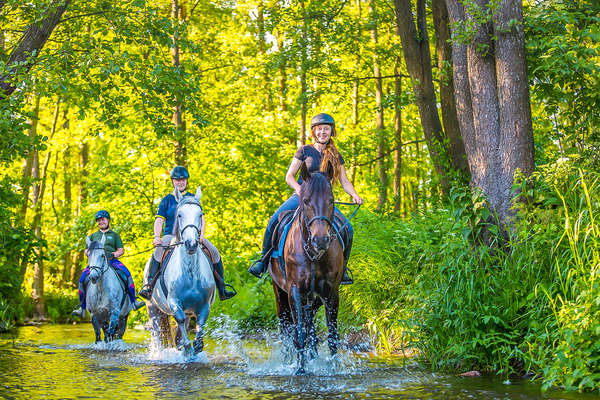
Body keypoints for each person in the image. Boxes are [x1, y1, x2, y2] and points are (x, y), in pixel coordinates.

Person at [248, 113, 363, 284]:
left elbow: (344, 181)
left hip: (323, 202)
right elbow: (289, 176)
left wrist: (354, 194)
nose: (323, 132)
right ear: (314, 131)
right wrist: (300, 190)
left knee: (348, 229)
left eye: (326, 129)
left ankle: (343, 270)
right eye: (320, 129)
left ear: (331, 131)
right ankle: (263, 261)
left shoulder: (335, 154)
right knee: (274, 220)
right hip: (302, 197)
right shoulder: (304, 151)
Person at [138, 166, 236, 301]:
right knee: (158, 252)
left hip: (192, 235)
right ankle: (149, 287)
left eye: (183, 180)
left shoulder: (192, 198)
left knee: (214, 251)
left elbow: (201, 218)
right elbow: (159, 220)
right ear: (172, 181)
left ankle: (222, 288)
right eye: (177, 180)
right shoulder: (167, 200)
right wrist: (157, 237)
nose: (180, 182)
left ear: (186, 181)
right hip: (170, 236)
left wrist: (201, 235)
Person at [72, 210, 146, 317]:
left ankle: (134, 301)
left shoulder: (114, 235)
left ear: (108, 220)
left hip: (112, 261)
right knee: (82, 279)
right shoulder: (93, 236)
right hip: (96, 264)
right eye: (98, 220)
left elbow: (121, 250)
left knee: (127, 274)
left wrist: (113, 254)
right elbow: (86, 251)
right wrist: (91, 253)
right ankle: (82, 307)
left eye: (103, 219)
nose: (100, 222)